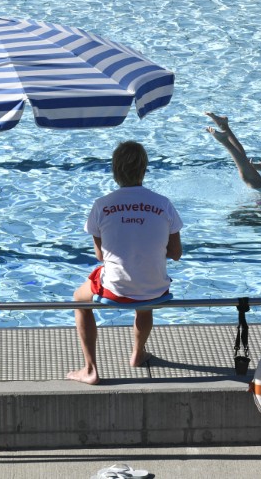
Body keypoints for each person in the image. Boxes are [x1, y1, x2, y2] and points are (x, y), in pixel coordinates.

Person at [67, 141, 183, 385]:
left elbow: (101, 256)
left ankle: (90, 369)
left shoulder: (102, 205)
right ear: (144, 169)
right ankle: (137, 354)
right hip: (155, 288)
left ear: (115, 169)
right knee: (145, 299)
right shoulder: (163, 204)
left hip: (116, 289)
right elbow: (176, 253)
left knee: (79, 300)